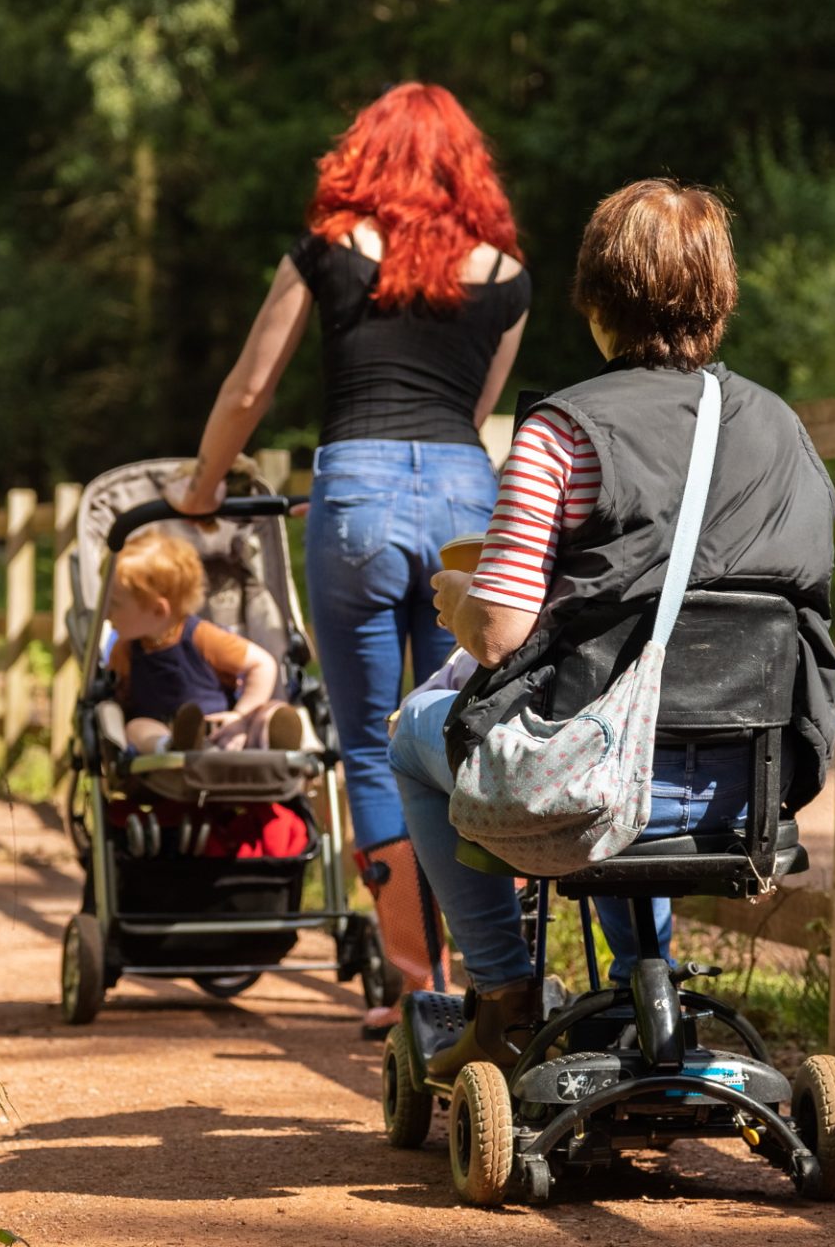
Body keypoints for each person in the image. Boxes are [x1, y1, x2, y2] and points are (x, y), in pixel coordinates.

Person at [387, 179, 835, 1075]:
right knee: (633, 731)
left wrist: (456, 602)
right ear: (720, 298)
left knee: (412, 734)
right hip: (744, 794)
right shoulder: (785, 430)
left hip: (595, 781)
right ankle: (649, 986)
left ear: (598, 303)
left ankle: (502, 994)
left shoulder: (564, 431)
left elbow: (498, 636)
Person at [169, 83, 531, 1037]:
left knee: (372, 741)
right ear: (469, 165)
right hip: (465, 489)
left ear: (362, 156)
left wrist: (202, 487)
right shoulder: (507, 273)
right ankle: (494, 971)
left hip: (359, 490)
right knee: (462, 717)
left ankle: (418, 985)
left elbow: (251, 385)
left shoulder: (326, 249)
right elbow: (478, 410)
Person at [105, 532, 305, 753]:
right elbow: (118, 697)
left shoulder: (201, 636)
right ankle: (171, 746)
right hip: (167, 731)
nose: (106, 613)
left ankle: (274, 740)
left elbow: (263, 664)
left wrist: (240, 715)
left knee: (270, 711)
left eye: (114, 604)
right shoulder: (125, 651)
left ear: (158, 610)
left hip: (225, 732)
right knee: (137, 727)